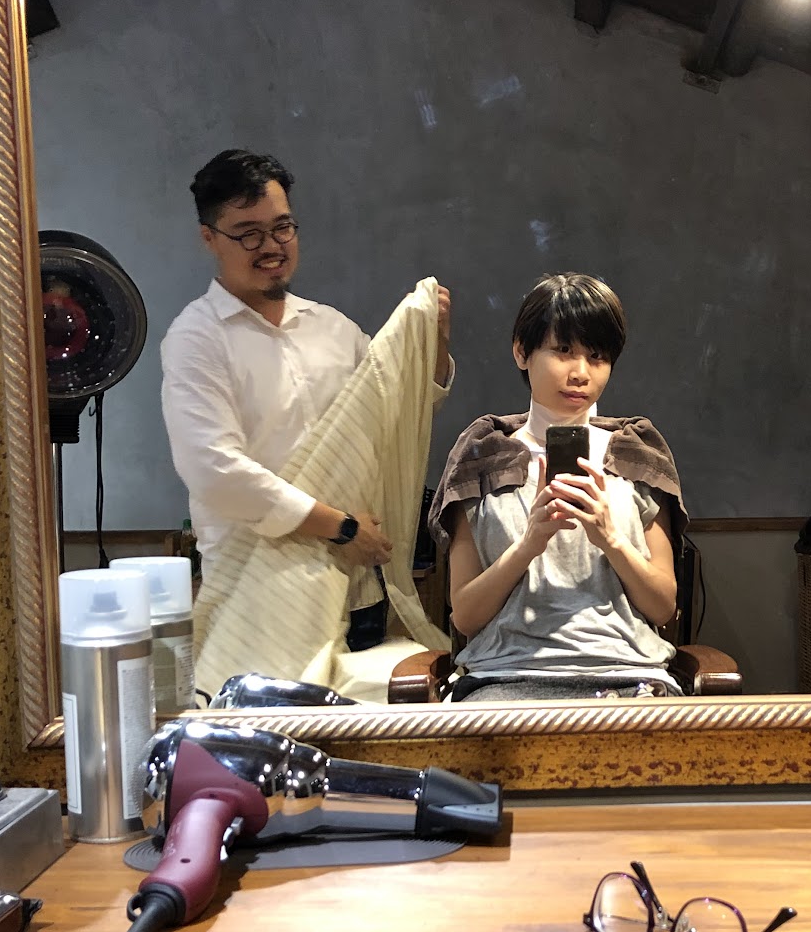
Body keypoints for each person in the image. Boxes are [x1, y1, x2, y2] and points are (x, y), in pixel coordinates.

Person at [161, 149, 453, 651]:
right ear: (209, 237)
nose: (271, 246)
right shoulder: (197, 338)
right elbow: (215, 471)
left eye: (282, 228)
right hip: (259, 601)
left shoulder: (333, 328)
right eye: (249, 233)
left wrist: (434, 340)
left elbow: (404, 410)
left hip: (355, 595)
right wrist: (341, 527)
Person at [429, 273, 687, 701]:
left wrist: (610, 538)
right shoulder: (481, 460)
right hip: (504, 677)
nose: (581, 373)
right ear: (522, 351)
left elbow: (662, 608)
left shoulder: (635, 457)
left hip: (628, 674)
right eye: (563, 350)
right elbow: (466, 617)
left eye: (597, 356)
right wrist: (529, 544)